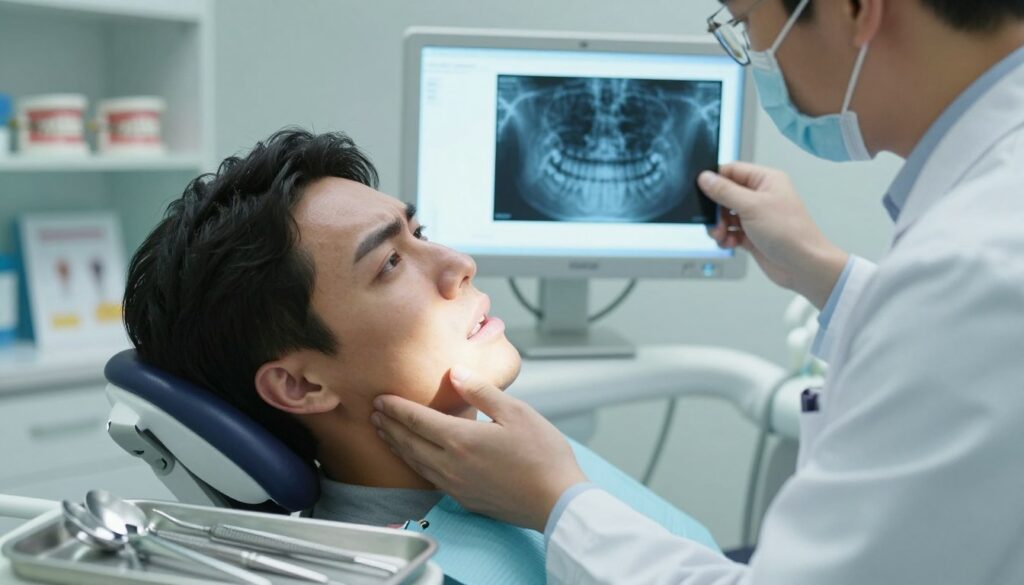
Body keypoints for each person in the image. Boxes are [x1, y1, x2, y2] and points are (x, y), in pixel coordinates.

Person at [372, 0, 1024, 582]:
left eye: (745, 24)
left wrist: (559, 501)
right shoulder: (977, 246)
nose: (458, 262)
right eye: (387, 260)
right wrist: (824, 274)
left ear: (856, 9)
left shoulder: (967, 269)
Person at [122, 128, 717, 584]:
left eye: (420, 232)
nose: (460, 264)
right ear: (300, 386)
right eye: (390, 264)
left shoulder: (522, 459)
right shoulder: (400, 568)